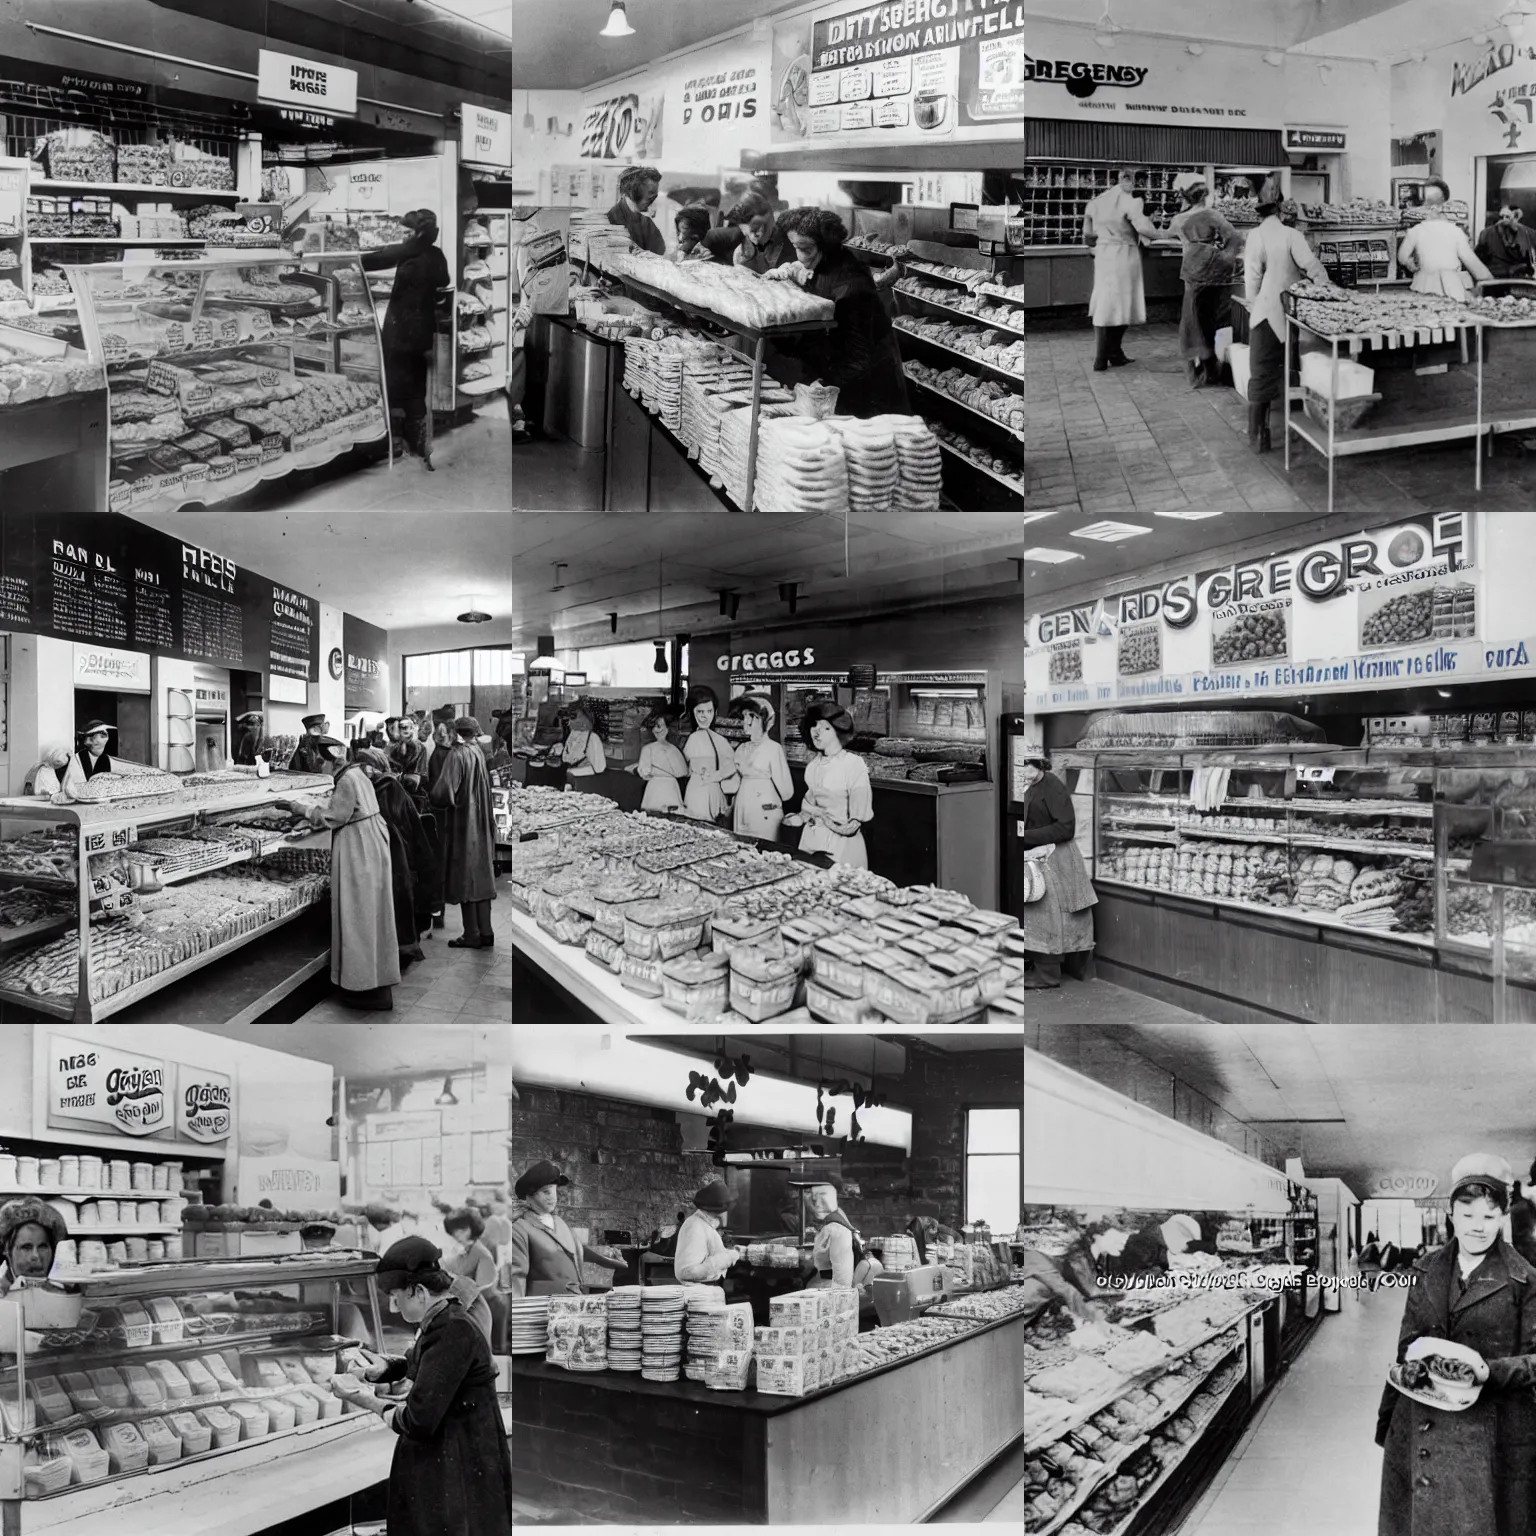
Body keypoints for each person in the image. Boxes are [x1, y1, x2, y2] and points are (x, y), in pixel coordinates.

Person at [1377, 1153, 1536, 1536]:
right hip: (1419, 1425)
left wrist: (1490, 1370)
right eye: (1467, 1216)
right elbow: (1407, 1342)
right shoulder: (1426, 1268)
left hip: (1490, 1439)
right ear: (1451, 1215)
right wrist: (1391, 1411)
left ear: (1502, 1217)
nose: (1478, 1227)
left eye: (1488, 1216)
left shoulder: (1525, 1279)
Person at [333, 1238, 511, 1536]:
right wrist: (383, 1369)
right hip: (456, 1456)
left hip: (460, 1465)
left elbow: (416, 1421)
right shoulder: (443, 1318)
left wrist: (366, 1399)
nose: (392, 1306)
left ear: (418, 1291)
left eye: (396, 1296)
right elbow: (420, 1360)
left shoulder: (454, 1330)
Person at [272, 738, 400, 1010]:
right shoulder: (357, 773)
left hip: (358, 847)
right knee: (374, 915)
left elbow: (335, 815)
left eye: (321, 761)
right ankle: (377, 984)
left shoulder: (346, 780)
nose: (320, 766)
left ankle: (364, 988)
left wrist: (299, 808)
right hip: (371, 841)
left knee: (358, 915)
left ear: (331, 759)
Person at [767, 207, 910, 418]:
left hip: (866, 392)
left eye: (805, 248)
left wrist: (821, 384)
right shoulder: (823, 266)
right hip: (838, 376)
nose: (800, 256)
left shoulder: (851, 284)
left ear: (825, 245)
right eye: (796, 247)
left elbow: (858, 357)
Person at [1244, 173, 1335, 453]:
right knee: (1292, 368)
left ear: (1258, 214)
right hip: (1291, 314)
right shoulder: (1292, 235)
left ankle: (1258, 436)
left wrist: (1252, 302)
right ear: (1281, 211)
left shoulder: (1255, 236)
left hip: (1263, 315)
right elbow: (1313, 267)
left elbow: (1252, 278)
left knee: (1260, 373)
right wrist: (1327, 289)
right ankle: (1296, 426)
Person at [361, 209, 452, 468]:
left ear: (415, 232)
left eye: (405, 231)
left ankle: (390, 441)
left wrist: (355, 257)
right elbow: (443, 279)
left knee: (390, 385)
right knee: (415, 386)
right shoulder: (435, 254)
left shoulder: (409, 252)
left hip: (400, 330)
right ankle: (420, 445)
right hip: (421, 330)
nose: (402, 236)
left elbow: (371, 261)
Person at [1018, 749, 1096, 988]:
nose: (1022, 772)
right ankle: (1038, 964)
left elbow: (1065, 828)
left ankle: (1048, 974)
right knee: (1038, 916)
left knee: (1048, 916)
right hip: (1039, 855)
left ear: (1038, 765)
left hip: (1055, 857)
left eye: (1026, 766)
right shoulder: (1030, 784)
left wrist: (1024, 836)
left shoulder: (1052, 786)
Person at [355, 748, 439, 965]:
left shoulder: (386, 788)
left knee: (398, 904)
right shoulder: (385, 786)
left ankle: (400, 952)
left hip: (398, 858)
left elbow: (388, 824)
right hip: (400, 856)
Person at [429, 716, 498, 949]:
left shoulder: (457, 755)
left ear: (456, 733)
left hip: (463, 823)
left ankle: (471, 935)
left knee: (465, 877)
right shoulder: (478, 751)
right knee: (482, 876)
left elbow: (444, 792)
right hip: (481, 822)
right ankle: (486, 932)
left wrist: (432, 798)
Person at [1168, 174, 1242, 389]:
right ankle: (1217, 370)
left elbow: (1162, 233)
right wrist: (1227, 258)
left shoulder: (1179, 219)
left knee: (1192, 321)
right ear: (1204, 196)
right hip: (1214, 272)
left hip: (1191, 271)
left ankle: (1196, 372)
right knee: (1216, 320)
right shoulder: (1212, 214)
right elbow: (1234, 237)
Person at [1083, 167, 1160, 372]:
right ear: (1129, 181)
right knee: (1123, 303)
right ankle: (1108, 354)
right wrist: (1161, 234)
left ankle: (1109, 354)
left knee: (1104, 303)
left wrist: (1101, 242)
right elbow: (1145, 229)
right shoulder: (1131, 202)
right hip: (1125, 255)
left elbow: (1087, 236)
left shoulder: (1095, 203)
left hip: (1103, 256)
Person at [784, 701, 872, 868]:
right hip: (811, 842)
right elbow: (808, 805)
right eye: (814, 726)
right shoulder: (813, 766)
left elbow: (855, 823)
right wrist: (799, 818)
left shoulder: (853, 764)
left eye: (825, 728)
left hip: (842, 847)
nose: (816, 732)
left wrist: (824, 819)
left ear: (839, 732)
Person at [1399, 178, 1493, 298]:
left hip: (1422, 286)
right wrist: (1492, 284)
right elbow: (1476, 267)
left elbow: (1402, 257)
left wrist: (1410, 263)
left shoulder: (1416, 231)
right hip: (1451, 287)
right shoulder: (1455, 232)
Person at [508, 1161, 587, 1297]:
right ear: (530, 1196)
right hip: (542, 1308)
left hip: (573, 1304)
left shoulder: (560, 1223)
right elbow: (517, 1279)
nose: (553, 1198)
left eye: (554, 1191)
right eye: (546, 1192)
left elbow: (576, 1252)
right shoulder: (519, 1229)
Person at [803, 1177, 883, 1296]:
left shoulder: (836, 1225)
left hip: (852, 1276)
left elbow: (842, 1278)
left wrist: (807, 1201)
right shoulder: (836, 1217)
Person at [731, 695, 793, 841]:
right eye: (745, 716)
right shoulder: (741, 749)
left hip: (764, 811)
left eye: (753, 716)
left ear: (766, 721)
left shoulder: (773, 749)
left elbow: (787, 792)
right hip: (742, 807)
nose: (747, 721)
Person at [680, 685, 739, 824]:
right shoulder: (694, 738)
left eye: (709, 711)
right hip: (699, 793)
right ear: (692, 712)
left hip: (711, 790)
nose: (704, 716)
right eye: (700, 711)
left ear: (715, 711)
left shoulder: (719, 739)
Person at [441, 1207, 499, 1346]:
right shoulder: (459, 1251)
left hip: (475, 1311)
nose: (457, 1234)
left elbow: (483, 1288)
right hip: (457, 1311)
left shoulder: (482, 1254)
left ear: (472, 1229)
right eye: (455, 1230)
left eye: (462, 1230)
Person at [673, 1181, 746, 1283]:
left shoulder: (705, 1225)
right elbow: (688, 1272)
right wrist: (728, 1258)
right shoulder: (695, 1226)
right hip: (698, 1293)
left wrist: (732, 1252)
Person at [626, 710, 689, 812]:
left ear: (667, 729)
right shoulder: (674, 750)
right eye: (653, 727)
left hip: (660, 788)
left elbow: (644, 771)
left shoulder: (649, 749)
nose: (655, 730)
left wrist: (652, 770)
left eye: (658, 726)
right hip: (668, 788)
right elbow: (683, 772)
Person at [0, 1198, 65, 1296]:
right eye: (26, 1247)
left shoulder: (64, 1294)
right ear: (7, 1249)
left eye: (43, 1247)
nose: (36, 1256)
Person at [726, 191, 793, 274]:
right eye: (745, 232)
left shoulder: (790, 241)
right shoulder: (741, 250)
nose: (753, 236)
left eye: (757, 226)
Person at [606, 164, 666, 255]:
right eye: (650, 193)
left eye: (655, 194)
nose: (653, 198)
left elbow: (659, 251)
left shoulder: (647, 224)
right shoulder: (611, 221)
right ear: (633, 190)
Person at [1476, 199, 1536, 280]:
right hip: (1495, 282)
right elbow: (1477, 266)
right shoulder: (1487, 235)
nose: (1504, 220)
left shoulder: (1530, 235)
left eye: (1508, 217)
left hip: (1523, 284)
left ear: (1517, 217)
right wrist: (1509, 270)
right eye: (1501, 217)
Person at [60, 720, 116, 796]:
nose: (98, 740)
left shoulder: (107, 759)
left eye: (103, 736)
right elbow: (69, 786)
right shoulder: (77, 758)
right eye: (93, 736)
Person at [560, 706, 607, 783]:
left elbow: (599, 768)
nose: (569, 723)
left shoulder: (592, 738)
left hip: (586, 783)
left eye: (573, 718)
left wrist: (571, 772)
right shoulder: (571, 736)